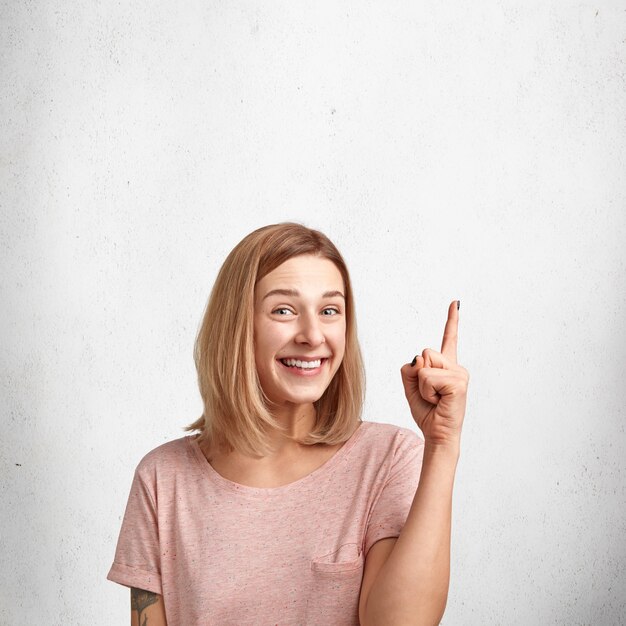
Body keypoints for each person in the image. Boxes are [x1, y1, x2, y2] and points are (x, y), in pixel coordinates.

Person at [106, 221, 469, 626]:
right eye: (284, 310)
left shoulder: (387, 459)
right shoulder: (162, 479)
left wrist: (442, 446)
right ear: (237, 325)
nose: (313, 335)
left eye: (330, 310)